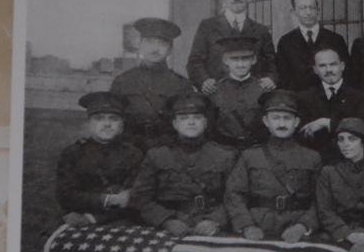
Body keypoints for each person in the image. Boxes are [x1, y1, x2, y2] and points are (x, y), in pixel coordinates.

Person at [131, 92, 236, 237]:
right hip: (168, 227)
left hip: (211, 226)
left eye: (197, 118)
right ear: (175, 123)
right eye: (184, 118)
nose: (191, 123)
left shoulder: (225, 155)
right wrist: (166, 220)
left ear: (206, 122)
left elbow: (234, 197)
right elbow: (140, 198)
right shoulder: (157, 155)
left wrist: (215, 220)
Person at [225, 90, 321, 242]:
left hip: (296, 227)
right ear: (266, 121)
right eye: (275, 118)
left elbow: (322, 199)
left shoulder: (312, 157)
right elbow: (234, 194)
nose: (282, 124)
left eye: (287, 118)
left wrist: (302, 226)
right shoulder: (250, 156)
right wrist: (247, 225)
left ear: (296, 122)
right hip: (257, 227)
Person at [56, 91, 144, 226]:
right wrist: (105, 200)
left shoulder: (134, 154)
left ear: (121, 126)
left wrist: (95, 218)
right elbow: (66, 195)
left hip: (122, 220)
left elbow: (139, 196)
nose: (107, 124)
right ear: (89, 124)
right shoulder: (73, 153)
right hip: (79, 218)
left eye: (114, 119)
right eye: (99, 118)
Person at [109, 17, 194, 150]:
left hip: (167, 150)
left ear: (170, 50)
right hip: (129, 148)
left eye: (162, 44)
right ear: (140, 45)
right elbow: (112, 120)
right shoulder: (122, 81)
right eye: (149, 42)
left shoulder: (182, 85)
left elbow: (187, 123)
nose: (155, 49)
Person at [187, 0, 277, 95]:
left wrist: (271, 79)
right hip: (217, 95)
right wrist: (204, 81)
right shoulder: (207, 26)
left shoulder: (261, 30)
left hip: (253, 96)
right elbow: (195, 62)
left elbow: (272, 64)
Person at [315, 118, 364, 252]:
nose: (345, 144)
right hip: (337, 237)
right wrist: (347, 234)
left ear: (363, 142)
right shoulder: (329, 172)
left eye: (352, 139)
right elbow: (325, 211)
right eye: (341, 139)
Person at [296, 46, 364, 161]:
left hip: (350, 161)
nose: (329, 70)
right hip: (316, 161)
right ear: (315, 69)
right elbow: (303, 133)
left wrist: (328, 123)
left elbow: (363, 127)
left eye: (333, 64)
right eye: (322, 66)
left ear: (342, 66)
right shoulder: (305, 98)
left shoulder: (359, 97)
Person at [275, 0, 350, 92]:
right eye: (303, 8)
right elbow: (283, 78)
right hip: (297, 97)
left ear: (318, 11)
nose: (308, 12)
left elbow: (347, 74)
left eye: (312, 8)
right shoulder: (285, 42)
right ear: (294, 12)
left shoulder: (336, 39)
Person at [208, 35, 267, 150]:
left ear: (254, 60)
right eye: (234, 59)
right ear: (225, 60)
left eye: (245, 59)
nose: (240, 64)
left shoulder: (263, 89)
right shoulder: (215, 91)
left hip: (256, 149)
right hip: (224, 149)